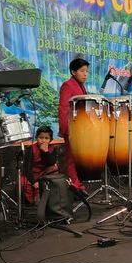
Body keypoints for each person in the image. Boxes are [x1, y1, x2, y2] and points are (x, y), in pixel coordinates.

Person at [58, 57, 90, 193]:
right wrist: (65, 128)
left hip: (81, 128)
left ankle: (79, 184)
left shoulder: (81, 86)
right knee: (71, 158)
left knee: (79, 157)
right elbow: (63, 108)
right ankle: (75, 186)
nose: (85, 74)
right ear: (73, 72)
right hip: (71, 128)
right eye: (82, 71)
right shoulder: (67, 85)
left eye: (87, 71)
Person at [22, 126, 59, 204]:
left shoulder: (52, 149)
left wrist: (45, 151)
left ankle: (50, 199)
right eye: (41, 138)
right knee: (23, 182)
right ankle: (31, 201)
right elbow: (27, 167)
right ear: (36, 138)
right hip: (32, 174)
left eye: (46, 138)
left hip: (44, 174)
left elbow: (51, 163)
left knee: (53, 168)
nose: (43, 141)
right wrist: (33, 182)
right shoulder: (31, 149)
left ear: (50, 140)